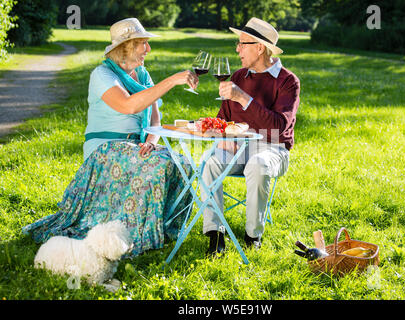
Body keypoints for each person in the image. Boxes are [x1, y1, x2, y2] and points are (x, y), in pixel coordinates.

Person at [23, 18, 199, 258]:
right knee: (159, 165)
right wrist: (171, 81)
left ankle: (165, 227)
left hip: (136, 146)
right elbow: (128, 106)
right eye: (142, 44)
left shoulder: (142, 75)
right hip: (105, 148)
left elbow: (155, 121)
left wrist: (150, 142)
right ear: (125, 47)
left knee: (183, 163)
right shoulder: (102, 74)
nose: (148, 49)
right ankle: (138, 233)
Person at [201, 17, 300, 255]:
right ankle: (215, 235)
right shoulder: (238, 76)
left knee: (258, 164)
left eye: (242, 44)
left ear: (259, 47)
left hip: (273, 147)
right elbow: (222, 119)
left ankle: (252, 235)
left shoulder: (288, 81)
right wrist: (223, 137)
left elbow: (279, 125)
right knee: (209, 162)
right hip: (238, 147)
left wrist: (244, 98)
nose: (237, 49)